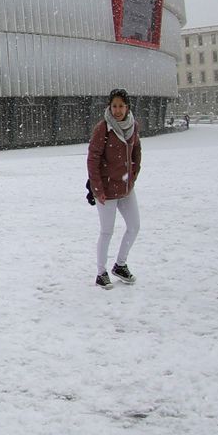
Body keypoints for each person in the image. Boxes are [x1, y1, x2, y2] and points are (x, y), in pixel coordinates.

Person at [88, 87, 142, 288]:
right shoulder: (103, 128)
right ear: (109, 107)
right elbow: (93, 159)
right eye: (114, 106)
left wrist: (133, 177)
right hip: (107, 189)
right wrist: (98, 189)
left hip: (126, 187)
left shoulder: (133, 126)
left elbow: (136, 152)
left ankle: (120, 265)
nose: (117, 110)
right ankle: (101, 272)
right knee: (107, 231)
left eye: (121, 106)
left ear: (127, 107)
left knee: (134, 226)